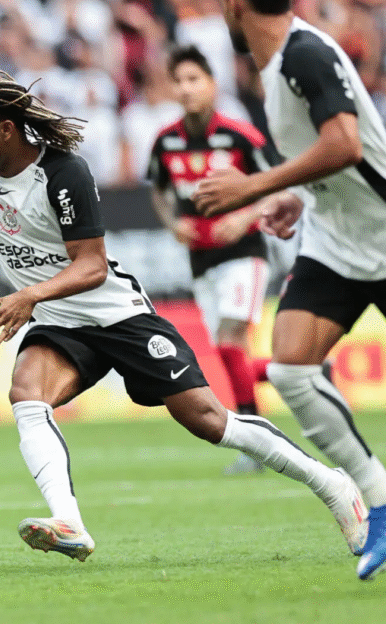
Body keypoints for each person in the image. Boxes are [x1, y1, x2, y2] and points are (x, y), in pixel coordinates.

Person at [0, 68, 366, 565]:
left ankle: (332, 484)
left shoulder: (63, 173)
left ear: (7, 130)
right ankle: (69, 522)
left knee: (210, 421)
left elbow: (90, 266)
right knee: (27, 394)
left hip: (117, 315)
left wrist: (29, 295)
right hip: (60, 322)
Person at [195, 0, 386, 580]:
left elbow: (346, 145)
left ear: (236, 6)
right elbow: (327, 155)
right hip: (334, 245)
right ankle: (385, 498)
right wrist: (298, 196)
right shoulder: (278, 64)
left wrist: (254, 188)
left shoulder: (305, 54)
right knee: (292, 370)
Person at [147, 45, 271, 476]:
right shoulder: (165, 141)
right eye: (179, 81)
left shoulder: (240, 136)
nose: (186, 88)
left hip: (244, 253)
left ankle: (255, 445)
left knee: (231, 339)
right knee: (229, 350)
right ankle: (298, 370)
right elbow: (158, 190)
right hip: (201, 259)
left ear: (212, 85)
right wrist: (172, 223)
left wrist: (245, 217)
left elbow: (276, 183)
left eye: (194, 79)